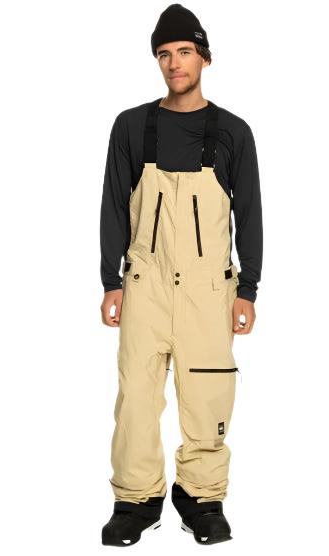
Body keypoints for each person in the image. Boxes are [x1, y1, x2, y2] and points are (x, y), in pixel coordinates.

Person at [99, 3, 263, 546]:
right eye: (165, 54)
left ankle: (202, 497)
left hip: (209, 291)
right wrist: (110, 281)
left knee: (208, 394)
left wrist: (248, 288)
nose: (174, 63)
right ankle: (136, 499)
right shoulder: (131, 126)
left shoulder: (233, 132)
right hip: (144, 285)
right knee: (136, 397)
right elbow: (113, 206)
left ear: (204, 58)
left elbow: (250, 214)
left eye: (185, 52)